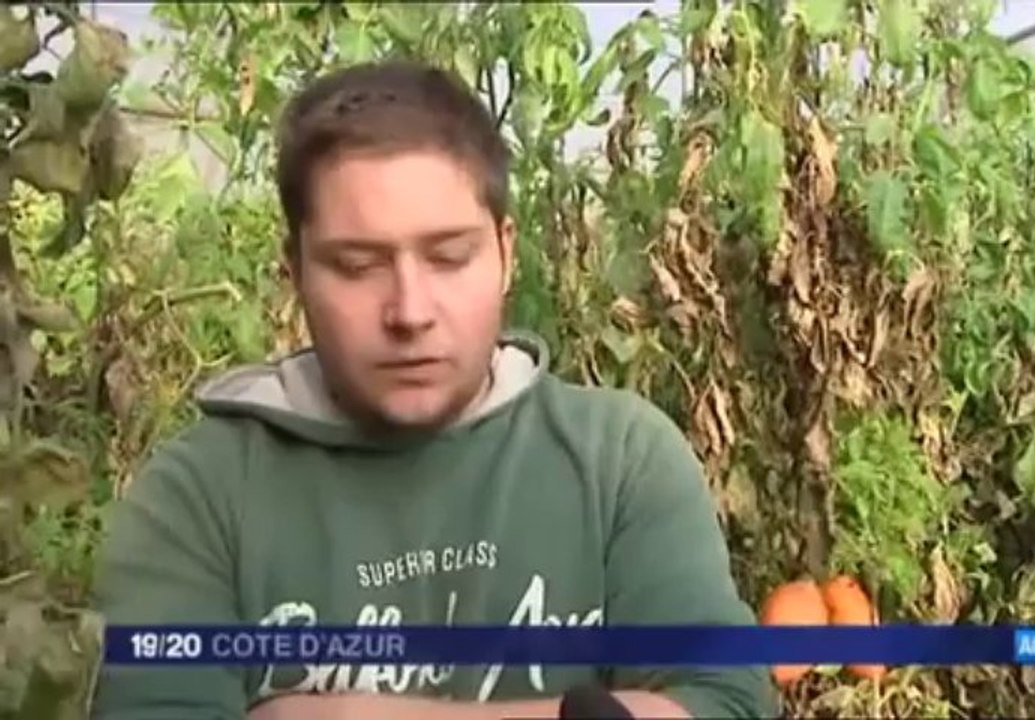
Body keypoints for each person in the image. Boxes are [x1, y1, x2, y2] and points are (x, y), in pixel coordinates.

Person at [89, 60, 777, 720]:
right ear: (293, 272)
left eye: (449, 257)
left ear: (506, 255)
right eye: (357, 266)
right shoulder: (200, 496)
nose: (410, 311)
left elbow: (725, 701)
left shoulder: (619, 460)